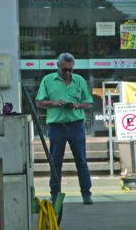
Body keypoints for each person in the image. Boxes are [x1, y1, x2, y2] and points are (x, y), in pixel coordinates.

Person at [35, 52, 95, 204]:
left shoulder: (79, 81)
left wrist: (77, 105)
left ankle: (86, 193)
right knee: (56, 161)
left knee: (81, 160)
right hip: (56, 126)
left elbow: (89, 103)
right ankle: (55, 193)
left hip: (76, 125)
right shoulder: (48, 80)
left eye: (70, 70)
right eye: (64, 70)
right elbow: (38, 102)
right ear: (58, 67)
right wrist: (53, 103)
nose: (67, 73)